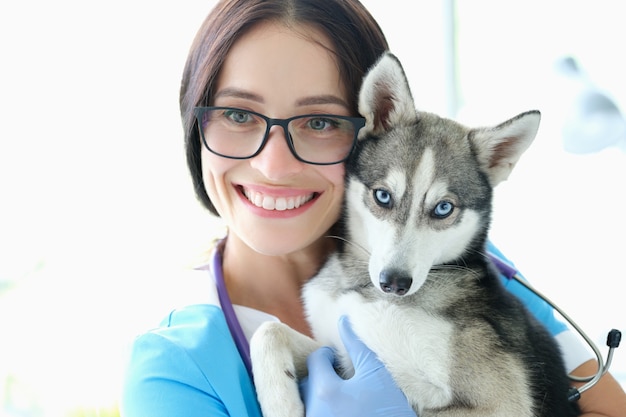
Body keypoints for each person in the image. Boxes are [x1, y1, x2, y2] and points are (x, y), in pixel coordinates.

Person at [120, 1, 626, 416]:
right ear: (195, 124)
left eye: (318, 122)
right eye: (237, 114)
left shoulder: (460, 266)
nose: (273, 166)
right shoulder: (175, 368)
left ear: (370, 124)